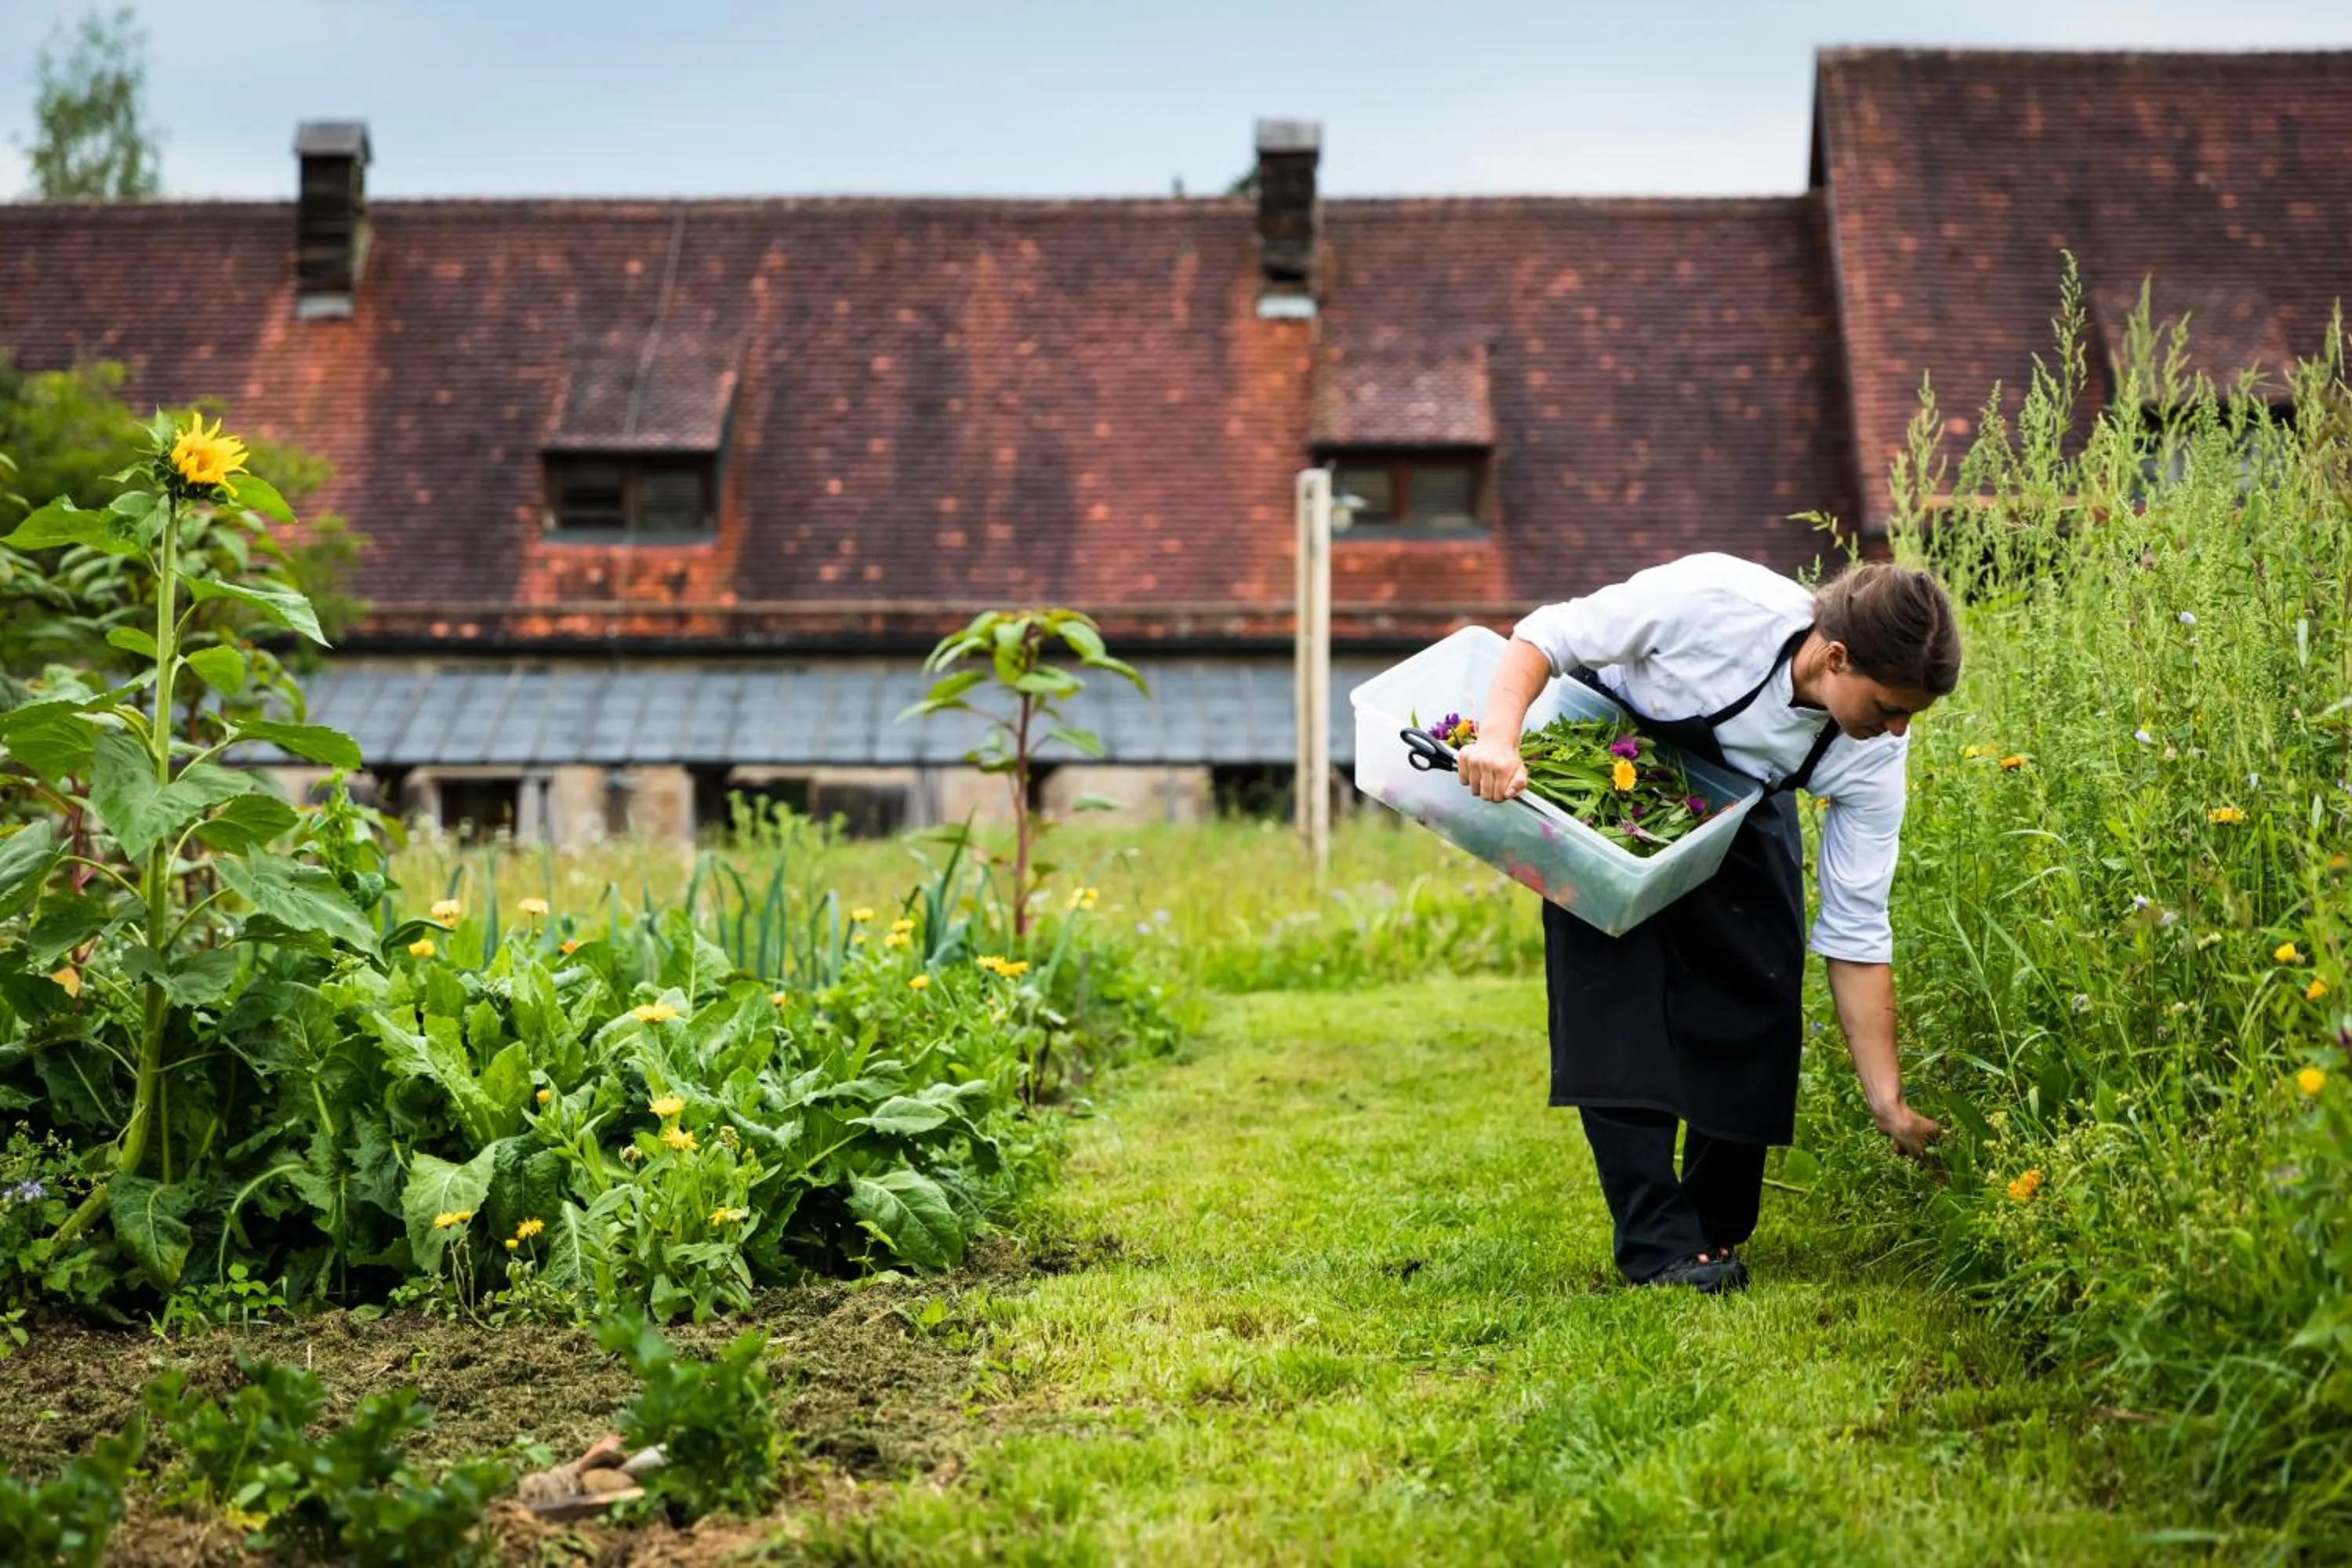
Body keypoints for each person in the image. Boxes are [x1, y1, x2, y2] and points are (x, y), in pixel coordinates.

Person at [1457, 552, 1959, 1294]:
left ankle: (1713, 1223)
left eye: (1910, 715)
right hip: (1617, 771)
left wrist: (1887, 1101)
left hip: (1743, 808)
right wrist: (1499, 738)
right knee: (1614, 1001)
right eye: (1889, 707)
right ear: (1836, 657)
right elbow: (1546, 635)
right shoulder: (1716, 603)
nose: (1897, 730)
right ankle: (1657, 1243)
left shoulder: (1872, 756)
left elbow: (1857, 928)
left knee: (1757, 991)